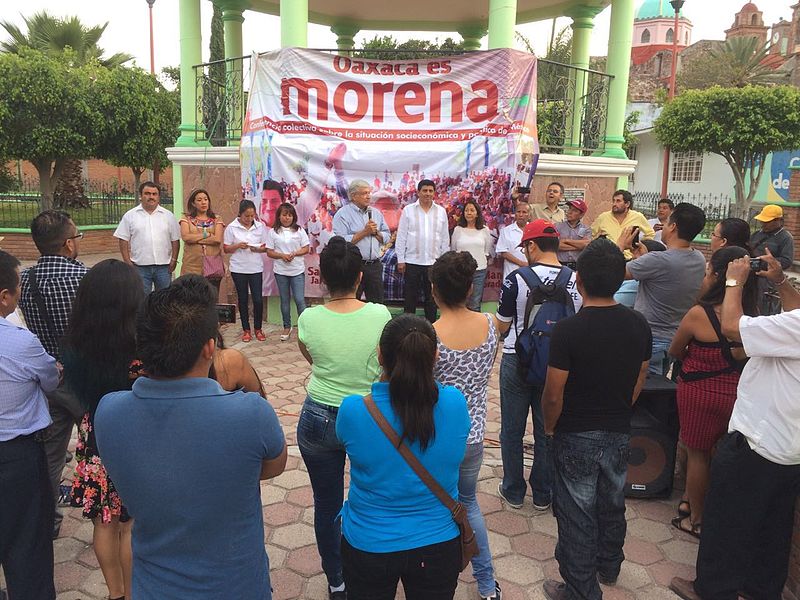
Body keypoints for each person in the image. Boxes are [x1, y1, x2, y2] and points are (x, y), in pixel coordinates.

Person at [94, 275, 287, 600]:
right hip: (238, 587)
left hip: (152, 588)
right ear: (210, 346)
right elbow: (273, 466)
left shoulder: (109, 412)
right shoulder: (250, 414)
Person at [669, 248, 800, 600]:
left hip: (758, 439)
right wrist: (780, 281)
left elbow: (731, 327)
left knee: (726, 519)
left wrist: (733, 281)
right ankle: (761, 590)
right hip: (790, 446)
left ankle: (712, 589)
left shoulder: (795, 328)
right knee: (774, 527)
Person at [539, 239, 651, 600]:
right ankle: (609, 564)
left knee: (576, 513)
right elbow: (638, 381)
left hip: (575, 432)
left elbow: (553, 393)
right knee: (613, 499)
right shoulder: (639, 325)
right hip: (618, 428)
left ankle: (581, 589)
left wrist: (550, 426)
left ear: (579, 279)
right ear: (621, 279)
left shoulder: (569, 330)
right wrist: (619, 410)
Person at [336, 315, 470, 600]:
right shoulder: (456, 404)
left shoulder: (353, 411)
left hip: (369, 543)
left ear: (380, 355)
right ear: (435, 356)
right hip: (438, 542)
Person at [296, 237, 391, 600]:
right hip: (370, 416)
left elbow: (314, 359)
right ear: (359, 279)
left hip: (318, 416)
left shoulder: (309, 318)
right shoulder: (380, 314)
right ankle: (371, 570)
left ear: (323, 279)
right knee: (373, 496)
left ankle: (336, 581)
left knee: (327, 503)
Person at [62, 259, 145, 600]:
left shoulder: (74, 345)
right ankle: (133, 592)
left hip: (93, 435)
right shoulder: (138, 347)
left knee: (103, 521)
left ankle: (115, 593)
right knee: (128, 526)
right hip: (132, 438)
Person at [667, 246, 757, 539]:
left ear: (718, 276)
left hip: (697, 392)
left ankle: (696, 519)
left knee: (698, 456)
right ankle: (702, 508)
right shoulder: (753, 315)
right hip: (734, 393)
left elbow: (675, 351)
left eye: (707, 272)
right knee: (722, 456)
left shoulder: (699, 314)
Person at [496, 220, 583, 510]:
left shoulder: (516, 279)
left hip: (516, 360)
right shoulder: (575, 279)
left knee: (512, 430)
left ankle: (513, 490)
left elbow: (502, 325)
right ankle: (543, 492)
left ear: (531, 246)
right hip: (557, 366)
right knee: (548, 429)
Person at [430, 252, 501, 600]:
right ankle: (487, 585)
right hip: (473, 435)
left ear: (434, 291)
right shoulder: (490, 324)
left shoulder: (431, 336)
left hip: (437, 439)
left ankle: (434, 581)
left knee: (435, 507)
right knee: (468, 505)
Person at [18, 210, 88, 539]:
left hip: (49, 379)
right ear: (68, 244)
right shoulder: (83, 278)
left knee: (51, 454)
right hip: (85, 378)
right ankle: (108, 516)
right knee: (100, 448)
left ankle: (48, 521)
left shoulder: (26, 282)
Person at [0, 249, 59, 600]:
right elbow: (50, 381)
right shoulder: (21, 342)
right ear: (4, 297)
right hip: (16, 457)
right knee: (28, 549)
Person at [619, 202, 707, 375]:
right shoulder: (698, 258)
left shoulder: (658, 261)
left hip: (650, 338)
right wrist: (644, 258)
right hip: (673, 339)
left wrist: (620, 244)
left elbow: (612, 271)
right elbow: (666, 275)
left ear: (673, 226)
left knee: (640, 391)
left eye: (666, 223)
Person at [395, 179, 449, 322]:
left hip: (434, 263)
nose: (427, 193)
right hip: (412, 261)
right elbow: (401, 236)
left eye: (431, 191)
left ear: (434, 193)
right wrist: (401, 259)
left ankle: (431, 329)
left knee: (432, 299)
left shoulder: (441, 212)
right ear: (418, 192)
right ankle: (408, 328)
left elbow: (444, 238)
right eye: (424, 190)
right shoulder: (408, 210)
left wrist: (443, 262)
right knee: (410, 297)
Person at [114, 181, 181, 294]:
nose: (151, 197)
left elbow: (175, 240)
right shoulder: (130, 215)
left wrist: (174, 260)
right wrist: (127, 262)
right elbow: (123, 239)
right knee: (141, 299)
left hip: (164, 268)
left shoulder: (168, 216)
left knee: (164, 300)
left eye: (154, 194)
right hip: (140, 268)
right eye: (147, 193)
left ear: (158, 197)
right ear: (141, 195)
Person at [332, 179, 390, 303]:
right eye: (364, 193)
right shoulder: (342, 215)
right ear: (353, 196)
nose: (368, 196)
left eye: (369, 193)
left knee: (377, 304)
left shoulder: (376, 213)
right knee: (350, 302)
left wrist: (376, 233)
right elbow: (341, 242)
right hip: (353, 265)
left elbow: (387, 236)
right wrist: (365, 232)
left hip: (374, 265)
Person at [224, 199, 269, 342]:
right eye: (246, 216)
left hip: (255, 267)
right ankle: (246, 330)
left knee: (257, 299)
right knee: (242, 299)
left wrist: (257, 248)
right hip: (239, 268)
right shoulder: (232, 227)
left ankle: (258, 328)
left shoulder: (260, 227)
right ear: (240, 214)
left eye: (252, 216)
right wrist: (237, 245)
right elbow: (226, 248)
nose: (249, 219)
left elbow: (265, 247)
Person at [266, 202, 310, 341]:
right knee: (284, 300)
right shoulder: (273, 232)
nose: (287, 218)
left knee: (299, 300)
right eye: (284, 215)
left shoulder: (299, 230)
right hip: (281, 272)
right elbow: (269, 252)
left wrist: (294, 254)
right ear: (279, 216)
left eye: (290, 215)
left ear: (294, 217)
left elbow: (306, 248)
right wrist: (282, 256)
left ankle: (305, 329)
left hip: (297, 271)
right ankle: (287, 326)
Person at [749, 204, 795, 316]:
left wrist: (766, 262)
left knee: (765, 310)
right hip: (752, 275)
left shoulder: (785, 238)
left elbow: (786, 261)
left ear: (778, 221)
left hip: (768, 281)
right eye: (763, 221)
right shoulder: (757, 234)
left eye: (767, 221)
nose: (763, 224)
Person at [450, 199, 493, 311]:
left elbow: (487, 251)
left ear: (477, 213)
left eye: (472, 210)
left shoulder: (485, 230)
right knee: (459, 301)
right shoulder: (458, 230)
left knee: (475, 302)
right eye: (466, 210)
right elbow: (454, 250)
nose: (469, 213)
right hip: (460, 272)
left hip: (479, 271)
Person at [179, 188, 225, 288]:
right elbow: (186, 237)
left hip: (212, 266)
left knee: (211, 298)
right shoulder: (186, 219)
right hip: (191, 266)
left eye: (205, 199)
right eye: (199, 200)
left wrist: (195, 239)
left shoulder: (217, 219)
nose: (203, 202)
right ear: (193, 203)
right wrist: (206, 235)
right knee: (191, 298)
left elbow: (217, 239)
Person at [591, 190, 655, 260]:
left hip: (630, 259)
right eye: (613, 201)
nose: (614, 204)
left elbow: (650, 234)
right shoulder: (603, 217)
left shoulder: (638, 217)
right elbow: (592, 235)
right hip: (609, 259)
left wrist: (639, 245)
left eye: (618, 201)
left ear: (627, 204)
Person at [495, 200, 530, 279]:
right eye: (518, 212)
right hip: (511, 273)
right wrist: (521, 263)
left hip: (530, 273)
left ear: (529, 215)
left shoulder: (534, 230)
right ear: (515, 214)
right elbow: (503, 252)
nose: (521, 215)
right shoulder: (506, 231)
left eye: (524, 212)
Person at [555, 199, 592, 270]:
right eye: (569, 209)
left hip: (578, 266)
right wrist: (579, 246)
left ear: (581, 215)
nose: (569, 212)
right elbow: (556, 245)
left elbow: (586, 245)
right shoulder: (557, 226)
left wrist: (566, 240)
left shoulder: (586, 229)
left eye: (574, 210)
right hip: (560, 265)